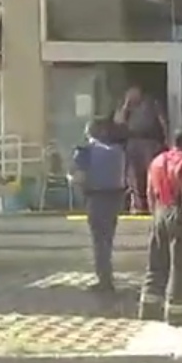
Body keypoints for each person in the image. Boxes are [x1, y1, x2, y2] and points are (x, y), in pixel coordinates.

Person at [140, 129, 182, 325]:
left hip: (160, 212)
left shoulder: (157, 161)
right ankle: (177, 311)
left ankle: (149, 305)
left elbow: (149, 190)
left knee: (157, 261)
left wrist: (155, 214)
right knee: (181, 264)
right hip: (180, 213)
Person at [71, 117, 126, 294]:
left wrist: (72, 180)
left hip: (96, 198)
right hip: (115, 199)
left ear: (89, 133)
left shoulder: (85, 152)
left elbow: (79, 177)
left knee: (99, 241)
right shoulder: (118, 151)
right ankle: (106, 275)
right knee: (107, 240)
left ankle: (104, 279)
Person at [114, 86, 168, 214]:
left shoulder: (151, 103)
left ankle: (153, 204)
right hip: (133, 142)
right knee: (134, 176)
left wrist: (167, 139)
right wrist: (126, 105)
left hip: (150, 141)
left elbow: (163, 121)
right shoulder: (126, 106)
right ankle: (139, 205)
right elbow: (118, 121)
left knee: (151, 174)